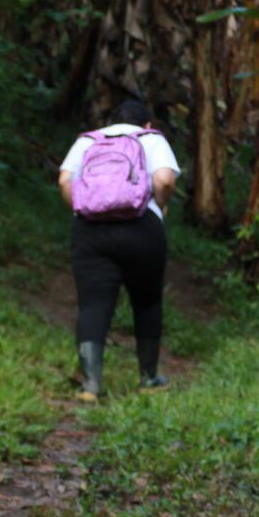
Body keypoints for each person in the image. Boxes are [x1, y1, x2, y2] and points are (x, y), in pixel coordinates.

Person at [57, 99, 180, 401]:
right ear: (147, 124)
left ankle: (91, 385)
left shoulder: (88, 140)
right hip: (142, 228)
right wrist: (160, 205)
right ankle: (148, 378)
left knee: (93, 304)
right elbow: (164, 179)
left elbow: (64, 180)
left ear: (109, 122)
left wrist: (87, 206)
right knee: (147, 301)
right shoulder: (150, 139)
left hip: (90, 231)